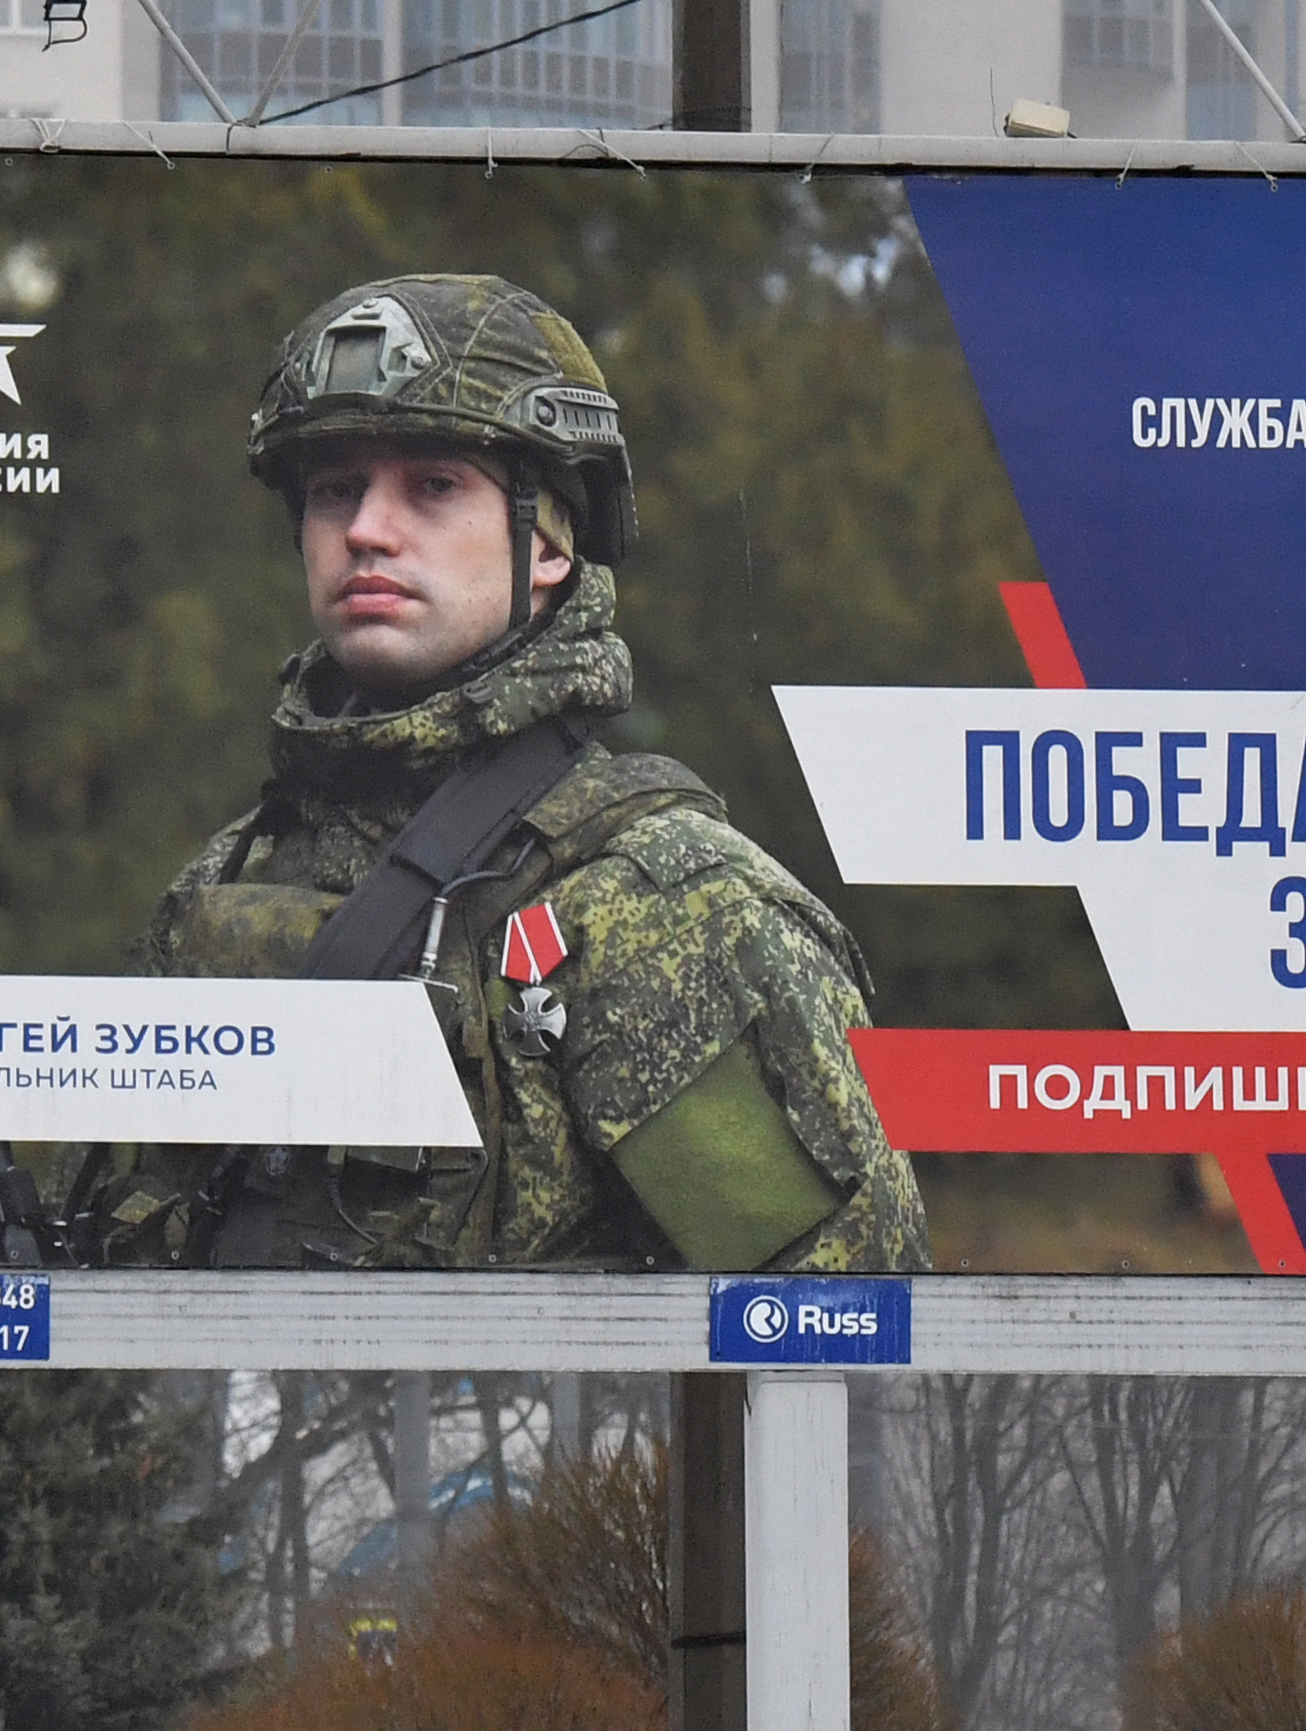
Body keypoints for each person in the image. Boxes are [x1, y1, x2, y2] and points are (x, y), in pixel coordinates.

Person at [70, 272, 929, 1274]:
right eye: (334, 490)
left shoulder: (655, 912)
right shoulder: (228, 877)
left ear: (551, 542)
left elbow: (822, 1332)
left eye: (433, 486)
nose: (365, 531)